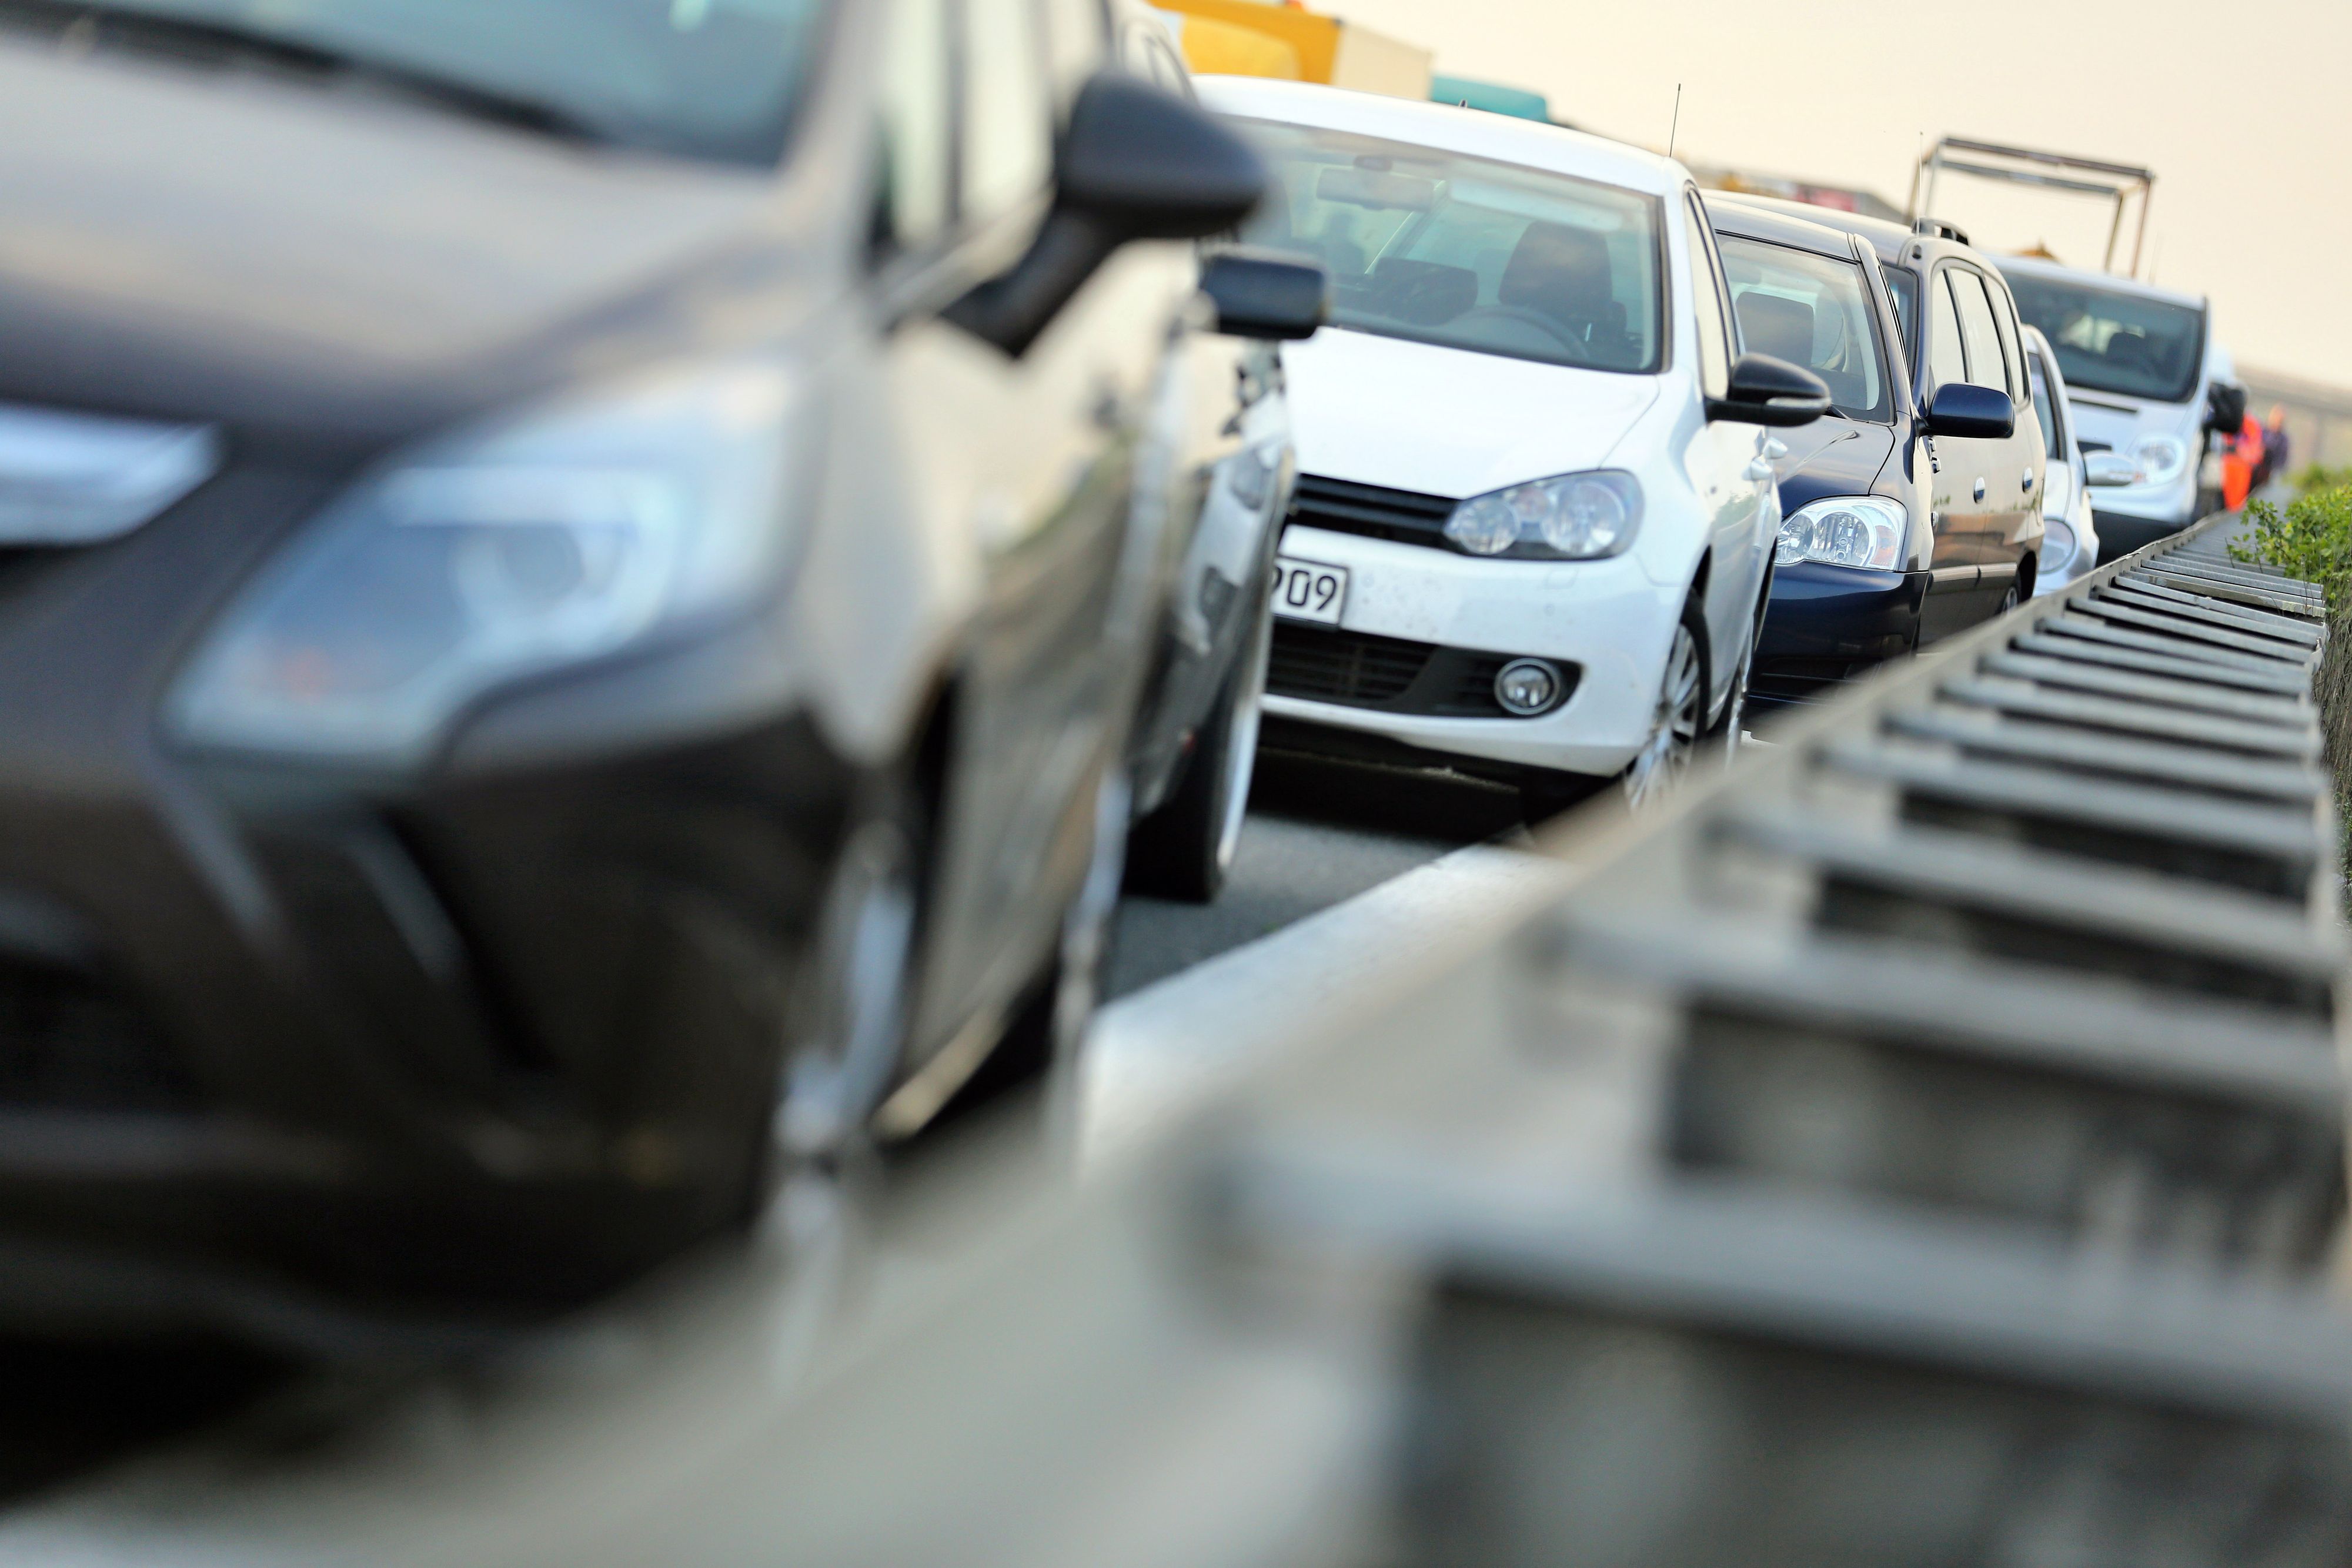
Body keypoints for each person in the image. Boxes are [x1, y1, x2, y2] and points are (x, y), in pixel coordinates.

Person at [2222, 410, 2264, 511]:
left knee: (2238, 501)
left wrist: (2241, 451)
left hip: (2243, 466)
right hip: (2228, 463)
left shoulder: (2251, 424)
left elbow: (2255, 448)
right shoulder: (2231, 419)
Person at [2253, 403, 2291, 492]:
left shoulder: (2283, 440)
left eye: (2281, 420)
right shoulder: (2260, 432)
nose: (2278, 421)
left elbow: (2281, 462)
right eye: (2276, 417)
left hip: (2270, 476)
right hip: (2255, 470)